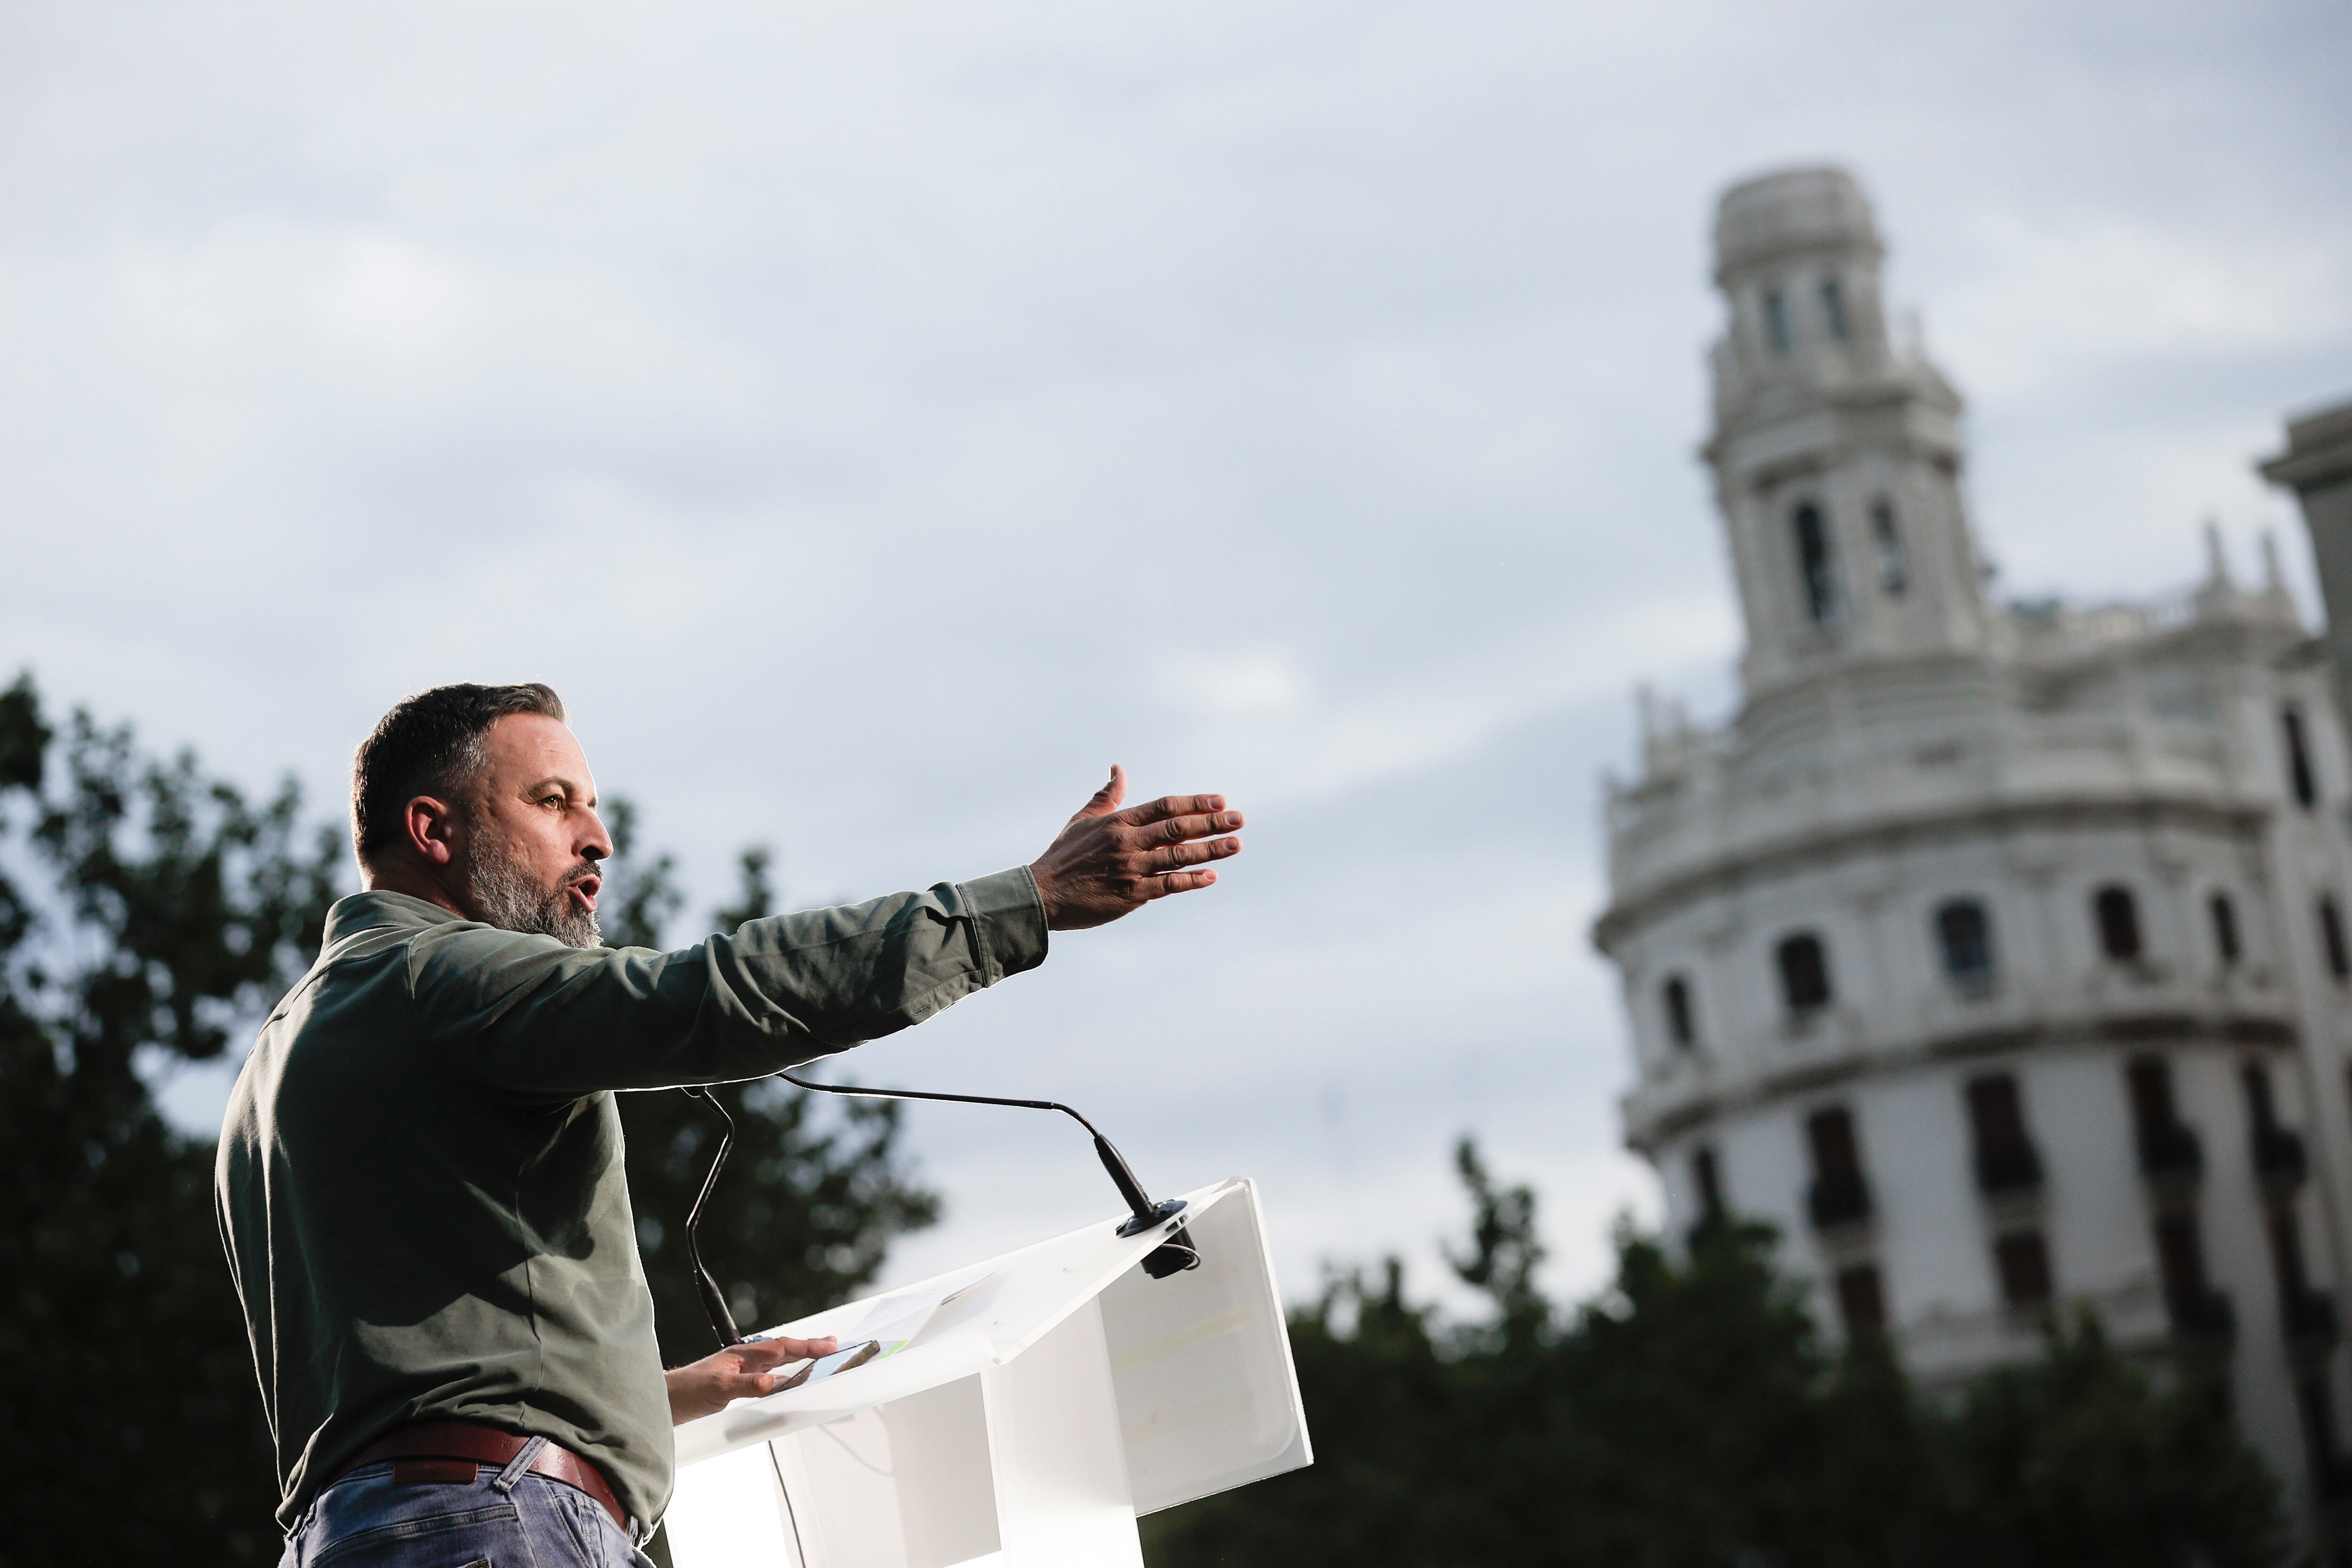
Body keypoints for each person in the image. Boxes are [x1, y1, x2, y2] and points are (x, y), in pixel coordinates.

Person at [215, 682, 1242, 1567]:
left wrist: (649, 1394)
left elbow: (414, 1392)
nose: (598, 837)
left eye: (594, 805)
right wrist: (1026, 902)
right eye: (550, 800)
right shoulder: (441, 977)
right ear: (434, 830)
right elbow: (716, 992)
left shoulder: (282, 1057)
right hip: (501, 1524)